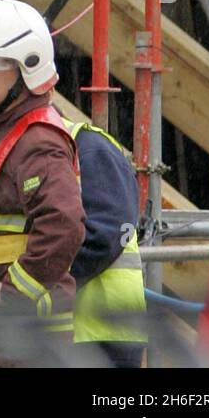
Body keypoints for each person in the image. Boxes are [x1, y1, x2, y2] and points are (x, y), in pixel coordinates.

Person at [0, 0, 85, 366]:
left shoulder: (37, 141)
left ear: (28, 67)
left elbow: (64, 223)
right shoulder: (13, 136)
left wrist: (12, 294)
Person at [60, 114, 148, 368]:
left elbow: (104, 237)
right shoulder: (15, 150)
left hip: (101, 334)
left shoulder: (87, 146)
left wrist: (39, 286)